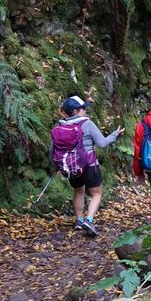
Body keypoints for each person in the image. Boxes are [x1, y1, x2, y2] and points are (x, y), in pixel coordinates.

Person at [52, 95, 124, 236]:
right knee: (96, 193)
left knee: (79, 191)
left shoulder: (60, 126)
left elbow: (53, 150)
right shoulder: (88, 124)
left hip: (71, 166)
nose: (85, 110)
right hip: (89, 165)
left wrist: (56, 166)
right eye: (83, 108)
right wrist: (115, 135)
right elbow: (102, 143)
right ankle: (89, 220)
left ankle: (79, 221)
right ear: (75, 111)